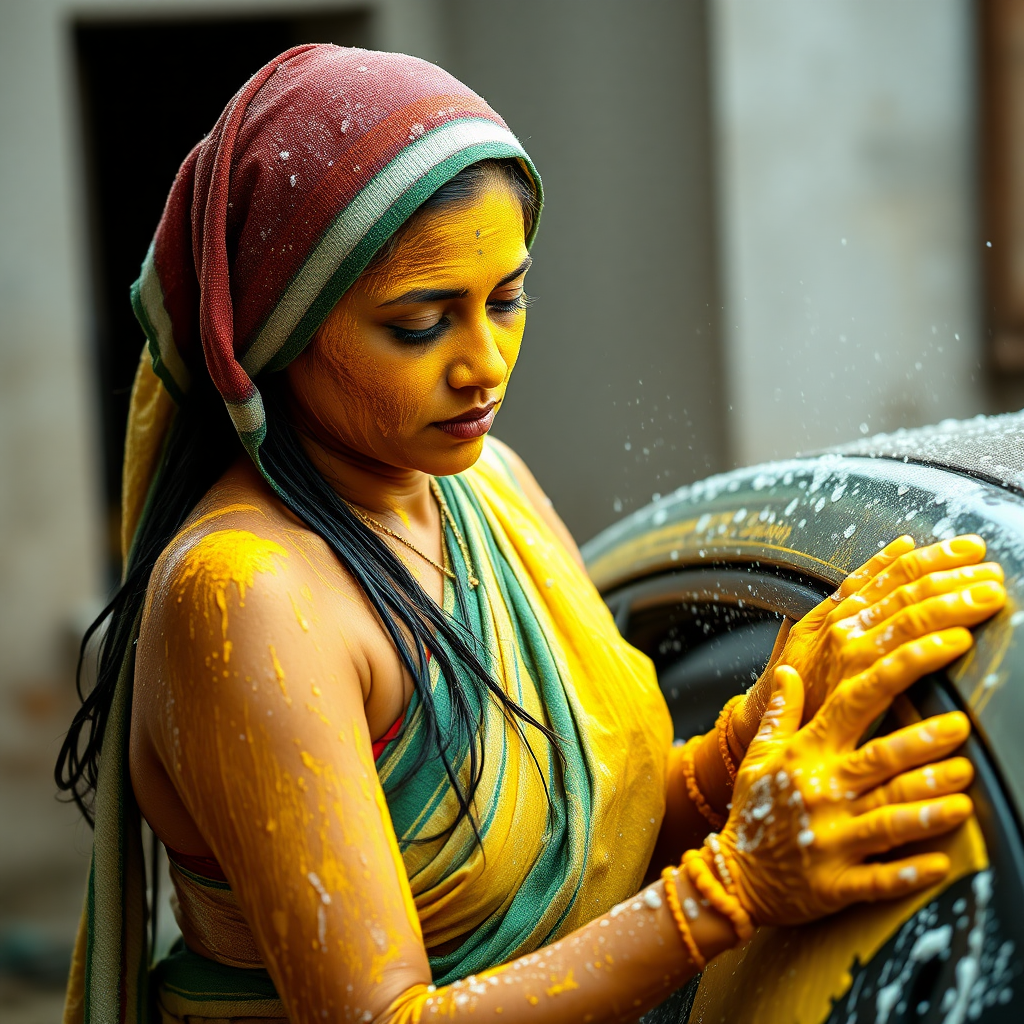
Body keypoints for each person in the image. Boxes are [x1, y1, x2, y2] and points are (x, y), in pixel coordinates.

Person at [56, 45, 1006, 1024]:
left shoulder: (486, 485)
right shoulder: (248, 597)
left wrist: (760, 727)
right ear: (276, 332)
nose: (484, 365)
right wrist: (731, 890)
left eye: (505, 300)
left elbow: (603, 831)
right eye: (422, 322)